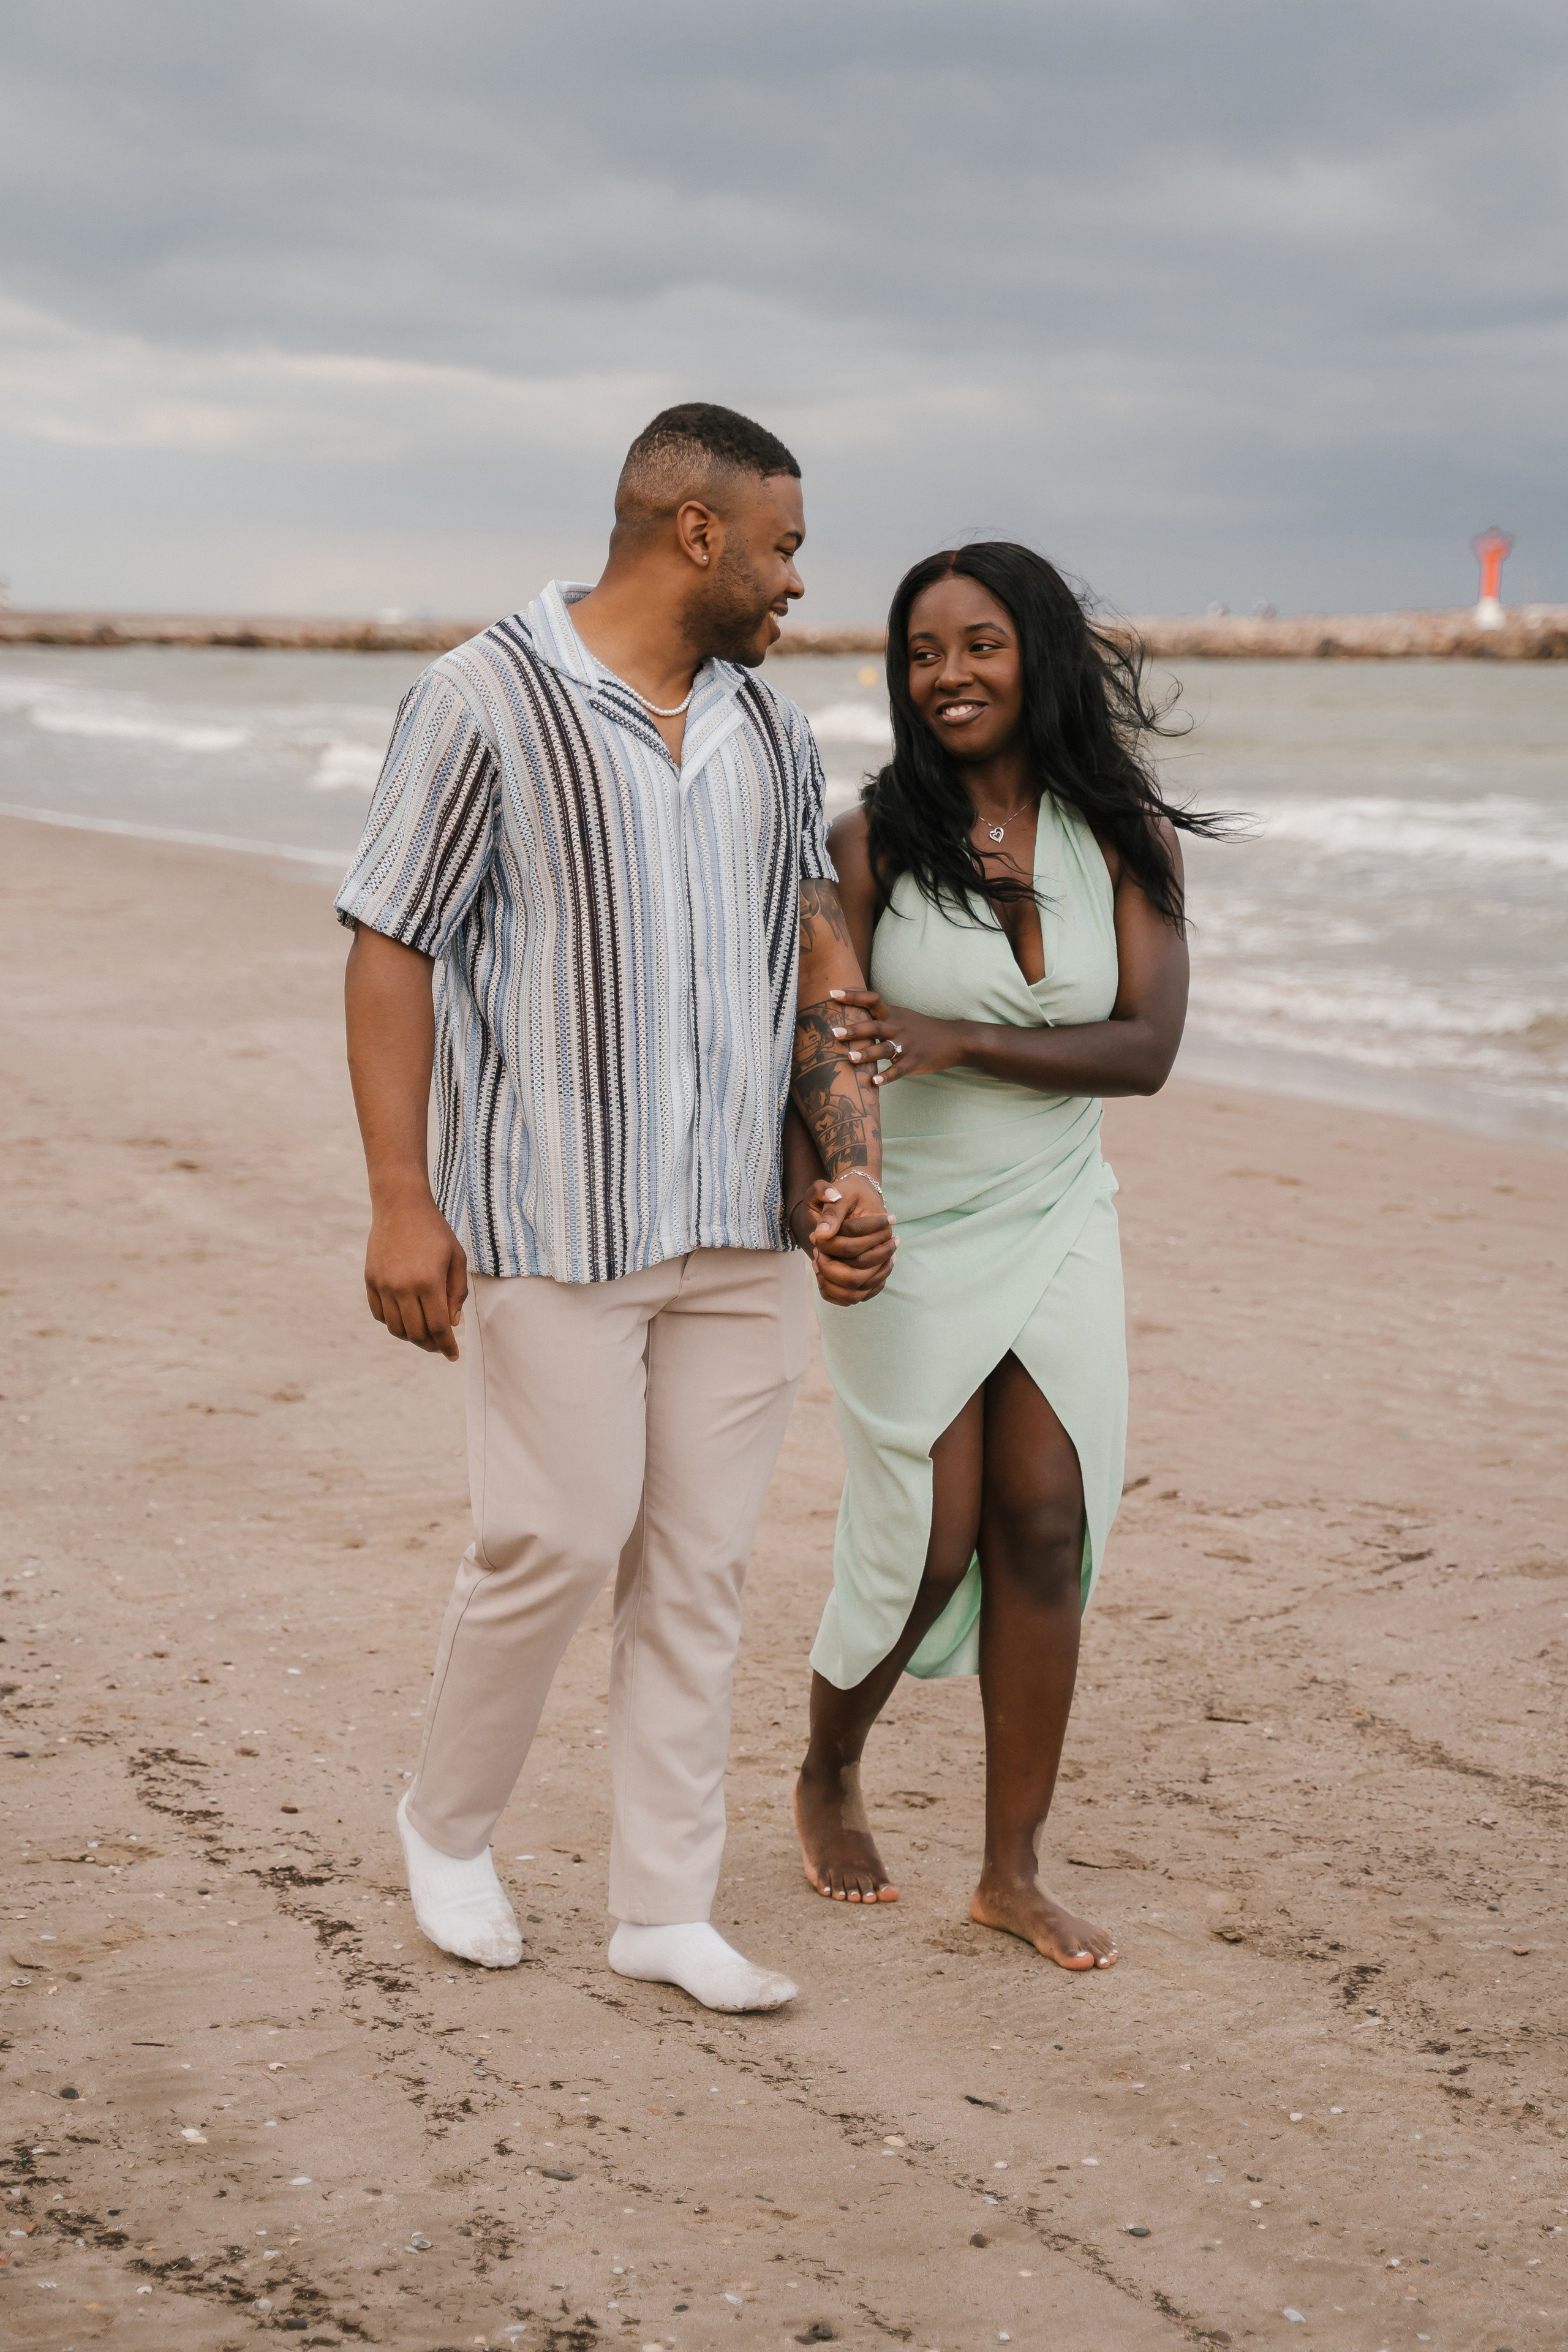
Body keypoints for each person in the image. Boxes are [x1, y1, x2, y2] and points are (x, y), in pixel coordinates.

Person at [336, 403, 893, 2013]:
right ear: (698, 533)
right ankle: (446, 1829)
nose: (798, 583)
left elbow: (817, 957)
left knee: (698, 1569)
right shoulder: (480, 698)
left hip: (737, 1231)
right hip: (552, 1217)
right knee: (554, 1541)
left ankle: (665, 1907)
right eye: (784, 547)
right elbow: (394, 943)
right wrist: (400, 1202)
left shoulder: (771, 733)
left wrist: (851, 1165)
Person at [788, 541, 1218, 1970]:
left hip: (1052, 1210)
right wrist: (824, 1203)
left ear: (1034, 652)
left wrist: (961, 1036)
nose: (947, 676)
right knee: (926, 1536)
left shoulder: (1121, 834)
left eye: (976, 645)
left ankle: (1007, 1871)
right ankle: (827, 1766)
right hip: (907, 1219)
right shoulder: (872, 842)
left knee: (1045, 1522)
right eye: (921, 652)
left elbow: (1146, 1051)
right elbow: (816, 1054)